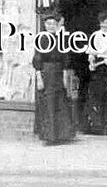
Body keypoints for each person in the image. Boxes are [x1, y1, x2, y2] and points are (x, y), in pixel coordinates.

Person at [32, 13, 76, 145]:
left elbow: (65, 59)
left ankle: (61, 135)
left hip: (58, 72)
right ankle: (49, 135)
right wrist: (39, 77)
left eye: (53, 24)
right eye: (48, 24)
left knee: (60, 102)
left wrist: (64, 76)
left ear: (57, 25)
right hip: (46, 72)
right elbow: (38, 59)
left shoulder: (61, 39)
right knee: (48, 102)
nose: (51, 26)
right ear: (45, 25)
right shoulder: (42, 39)